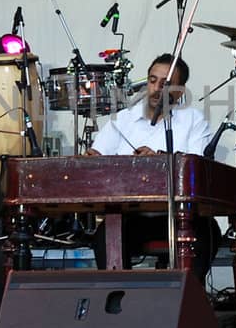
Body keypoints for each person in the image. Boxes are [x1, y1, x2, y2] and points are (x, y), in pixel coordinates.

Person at [85, 53, 218, 277]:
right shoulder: (123, 120)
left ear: (180, 91)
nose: (156, 88)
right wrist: (91, 161)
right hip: (130, 218)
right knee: (104, 236)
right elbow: (97, 161)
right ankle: (118, 302)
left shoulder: (194, 120)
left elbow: (195, 168)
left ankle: (189, 304)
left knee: (208, 232)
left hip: (180, 218)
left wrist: (158, 160)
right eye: (152, 80)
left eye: (165, 84)